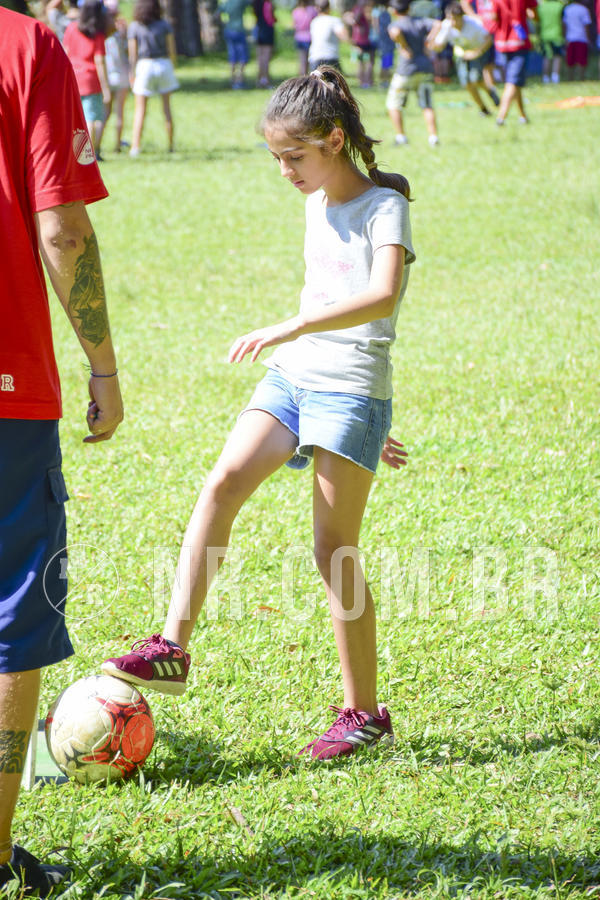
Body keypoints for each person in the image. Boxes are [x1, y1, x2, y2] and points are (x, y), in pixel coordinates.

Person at [103, 65, 413, 762]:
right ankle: (172, 647)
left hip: (348, 389)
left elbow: (382, 297)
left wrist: (299, 334)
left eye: (294, 156)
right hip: (295, 377)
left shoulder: (384, 206)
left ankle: (364, 714)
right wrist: (299, 339)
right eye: (276, 158)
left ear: (334, 140)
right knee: (223, 482)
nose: (285, 172)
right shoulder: (314, 203)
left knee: (333, 548)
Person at [0, 8, 123, 896]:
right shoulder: (26, 43)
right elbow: (63, 228)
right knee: (12, 616)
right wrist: (103, 365)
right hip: (7, 385)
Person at [430, 0, 500, 115]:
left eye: (455, 19)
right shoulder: (446, 25)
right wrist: (432, 39)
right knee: (466, 83)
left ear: (462, 17)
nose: (453, 22)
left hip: (478, 50)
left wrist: (476, 53)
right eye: (450, 19)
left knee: (476, 79)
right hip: (461, 54)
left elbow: (488, 39)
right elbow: (438, 46)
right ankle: (483, 109)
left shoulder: (473, 24)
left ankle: (491, 92)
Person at [128, 0, 179, 156]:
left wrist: (132, 73)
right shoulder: (164, 25)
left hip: (144, 66)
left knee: (140, 109)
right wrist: (173, 65)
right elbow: (172, 50)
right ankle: (171, 145)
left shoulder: (135, 26)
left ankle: (135, 147)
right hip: (163, 64)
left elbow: (132, 54)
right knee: (167, 108)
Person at [386, 0, 440, 146]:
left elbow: (395, 32)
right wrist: (428, 41)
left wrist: (404, 46)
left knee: (394, 104)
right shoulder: (420, 21)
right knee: (427, 104)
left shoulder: (396, 24)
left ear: (394, 11)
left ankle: (401, 137)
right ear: (409, 8)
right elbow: (437, 24)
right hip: (425, 68)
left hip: (406, 70)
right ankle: (433, 137)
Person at [63, 0, 112, 161]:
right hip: (91, 80)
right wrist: (106, 88)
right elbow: (99, 61)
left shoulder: (71, 28)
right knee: (93, 117)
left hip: (74, 78)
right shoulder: (97, 34)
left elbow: (65, 53)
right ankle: (91, 153)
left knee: (77, 117)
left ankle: (77, 152)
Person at [488, 0, 538, 125]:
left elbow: (493, 17)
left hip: (501, 44)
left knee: (514, 82)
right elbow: (534, 15)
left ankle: (523, 116)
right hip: (519, 43)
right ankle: (501, 118)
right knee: (512, 82)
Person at [104, 0, 130, 150]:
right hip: (121, 75)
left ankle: (96, 143)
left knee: (105, 113)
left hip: (107, 76)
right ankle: (117, 145)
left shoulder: (100, 32)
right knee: (119, 112)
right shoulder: (121, 30)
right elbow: (128, 51)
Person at [308, 0, 349, 69]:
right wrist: (346, 22)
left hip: (315, 57)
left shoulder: (314, 22)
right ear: (329, 8)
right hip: (330, 56)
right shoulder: (334, 21)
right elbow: (344, 37)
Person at [221, 0, 251, 88]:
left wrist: (223, 24)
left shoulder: (227, 3)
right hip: (239, 31)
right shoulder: (241, 1)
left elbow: (216, 14)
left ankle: (232, 79)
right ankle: (240, 80)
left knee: (232, 55)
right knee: (242, 56)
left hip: (229, 30)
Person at [347, 0, 377, 86]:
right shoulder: (359, 9)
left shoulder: (361, 9)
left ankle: (366, 81)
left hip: (363, 39)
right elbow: (355, 20)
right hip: (361, 40)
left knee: (365, 61)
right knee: (364, 61)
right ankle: (364, 81)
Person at [537, 0, 565, 82]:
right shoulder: (559, 6)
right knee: (557, 57)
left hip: (544, 35)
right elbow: (562, 22)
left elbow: (538, 22)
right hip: (557, 35)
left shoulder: (541, 7)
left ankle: (545, 78)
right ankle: (555, 77)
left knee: (546, 57)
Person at [562, 0, 591, 78]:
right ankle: (581, 77)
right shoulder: (584, 9)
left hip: (570, 38)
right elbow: (586, 25)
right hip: (582, 38)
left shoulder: (567, 9)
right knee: (581, 60)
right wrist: (588, 38)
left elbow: (564, 25)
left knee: (570, 61)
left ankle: (570, 78)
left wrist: (565, 37)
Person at [253, 0, 276, 87]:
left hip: (259, 30)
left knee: (260, 57)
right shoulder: (267, 3)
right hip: (267, 31)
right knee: (266, 57)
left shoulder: (256, 3)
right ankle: (265, 78)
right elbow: (269, 19)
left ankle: (260, 78)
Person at [292, 0, 318, 76]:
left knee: (302, 60)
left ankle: (302, 77)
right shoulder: (312, 10)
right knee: (309, 60)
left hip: (299, 37)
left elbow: (294, 25)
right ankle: (307, 77)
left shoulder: (296, 11)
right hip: (309, 37)